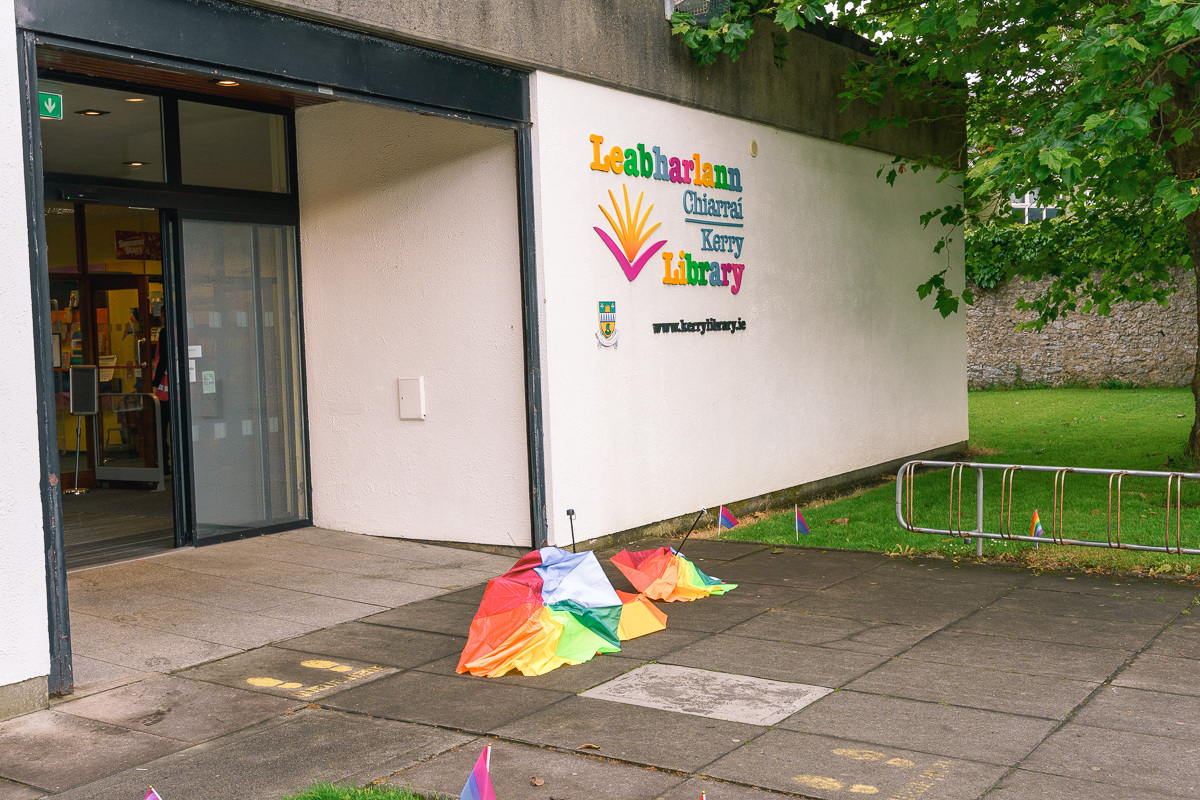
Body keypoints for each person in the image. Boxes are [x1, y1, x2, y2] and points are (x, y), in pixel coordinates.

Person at [152, 333, 171, 475]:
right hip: (177, 394)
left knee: (161, 430)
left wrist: (154, 384)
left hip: (163, 394)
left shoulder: (165, 334)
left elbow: (162, 360)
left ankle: (164, 464)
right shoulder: (189, 331)